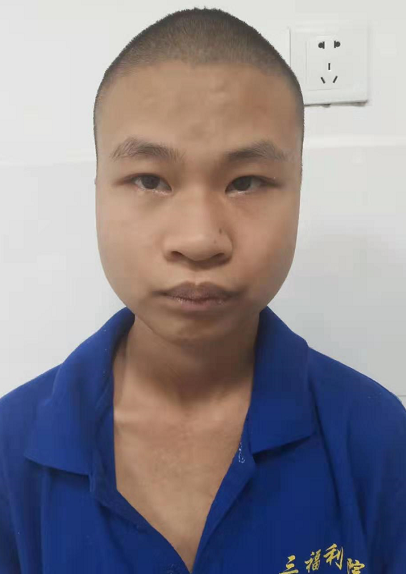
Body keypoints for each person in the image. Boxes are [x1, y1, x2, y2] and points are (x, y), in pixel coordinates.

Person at [0, 7, 405, 574]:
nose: (199, 240)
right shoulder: (12, 448)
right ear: (97, 190)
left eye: (246, 182)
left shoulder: (377, 438)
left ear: (299, 190)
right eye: (149, 180)